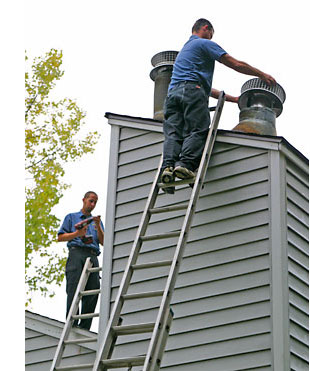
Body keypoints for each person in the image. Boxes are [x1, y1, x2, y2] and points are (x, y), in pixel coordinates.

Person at [161, 18, 276, 193]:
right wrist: (261, 74)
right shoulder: (203, 43)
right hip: (192, 92)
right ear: (206, 28)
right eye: (211, 33)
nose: (211, 36)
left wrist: (233, 99)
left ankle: (168, 167)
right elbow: (235, 64)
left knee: (174, 133)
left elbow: (204, 89)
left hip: (172, 96)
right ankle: (185, 164)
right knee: (198, 129)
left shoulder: (185, 51)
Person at [57, 191, 104, 330]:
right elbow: (60, 237)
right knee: (74, 287)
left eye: (95, 202)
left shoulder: (97, 222)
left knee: (93, 290)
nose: (93, 204)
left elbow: (103, 241)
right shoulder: (72, 217)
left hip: (92, 254)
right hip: (76, 253)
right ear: (84, 200)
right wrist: (77, 234)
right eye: (91, 201)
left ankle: (84, 327)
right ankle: (72, 324)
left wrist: (98, 226)